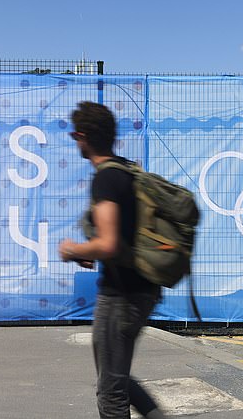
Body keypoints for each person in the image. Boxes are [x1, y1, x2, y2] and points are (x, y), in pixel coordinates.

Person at [58, 101, 165, 419]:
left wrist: (73, 250)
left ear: (85, 136)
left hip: (121, 296)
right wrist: (94, 252)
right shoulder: (127, 171)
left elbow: (107, 243)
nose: (75, 141)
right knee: (114, 375)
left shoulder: (106, 179)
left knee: (111, 391)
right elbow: (121, 239)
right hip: (141, 289)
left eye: (75, 135)